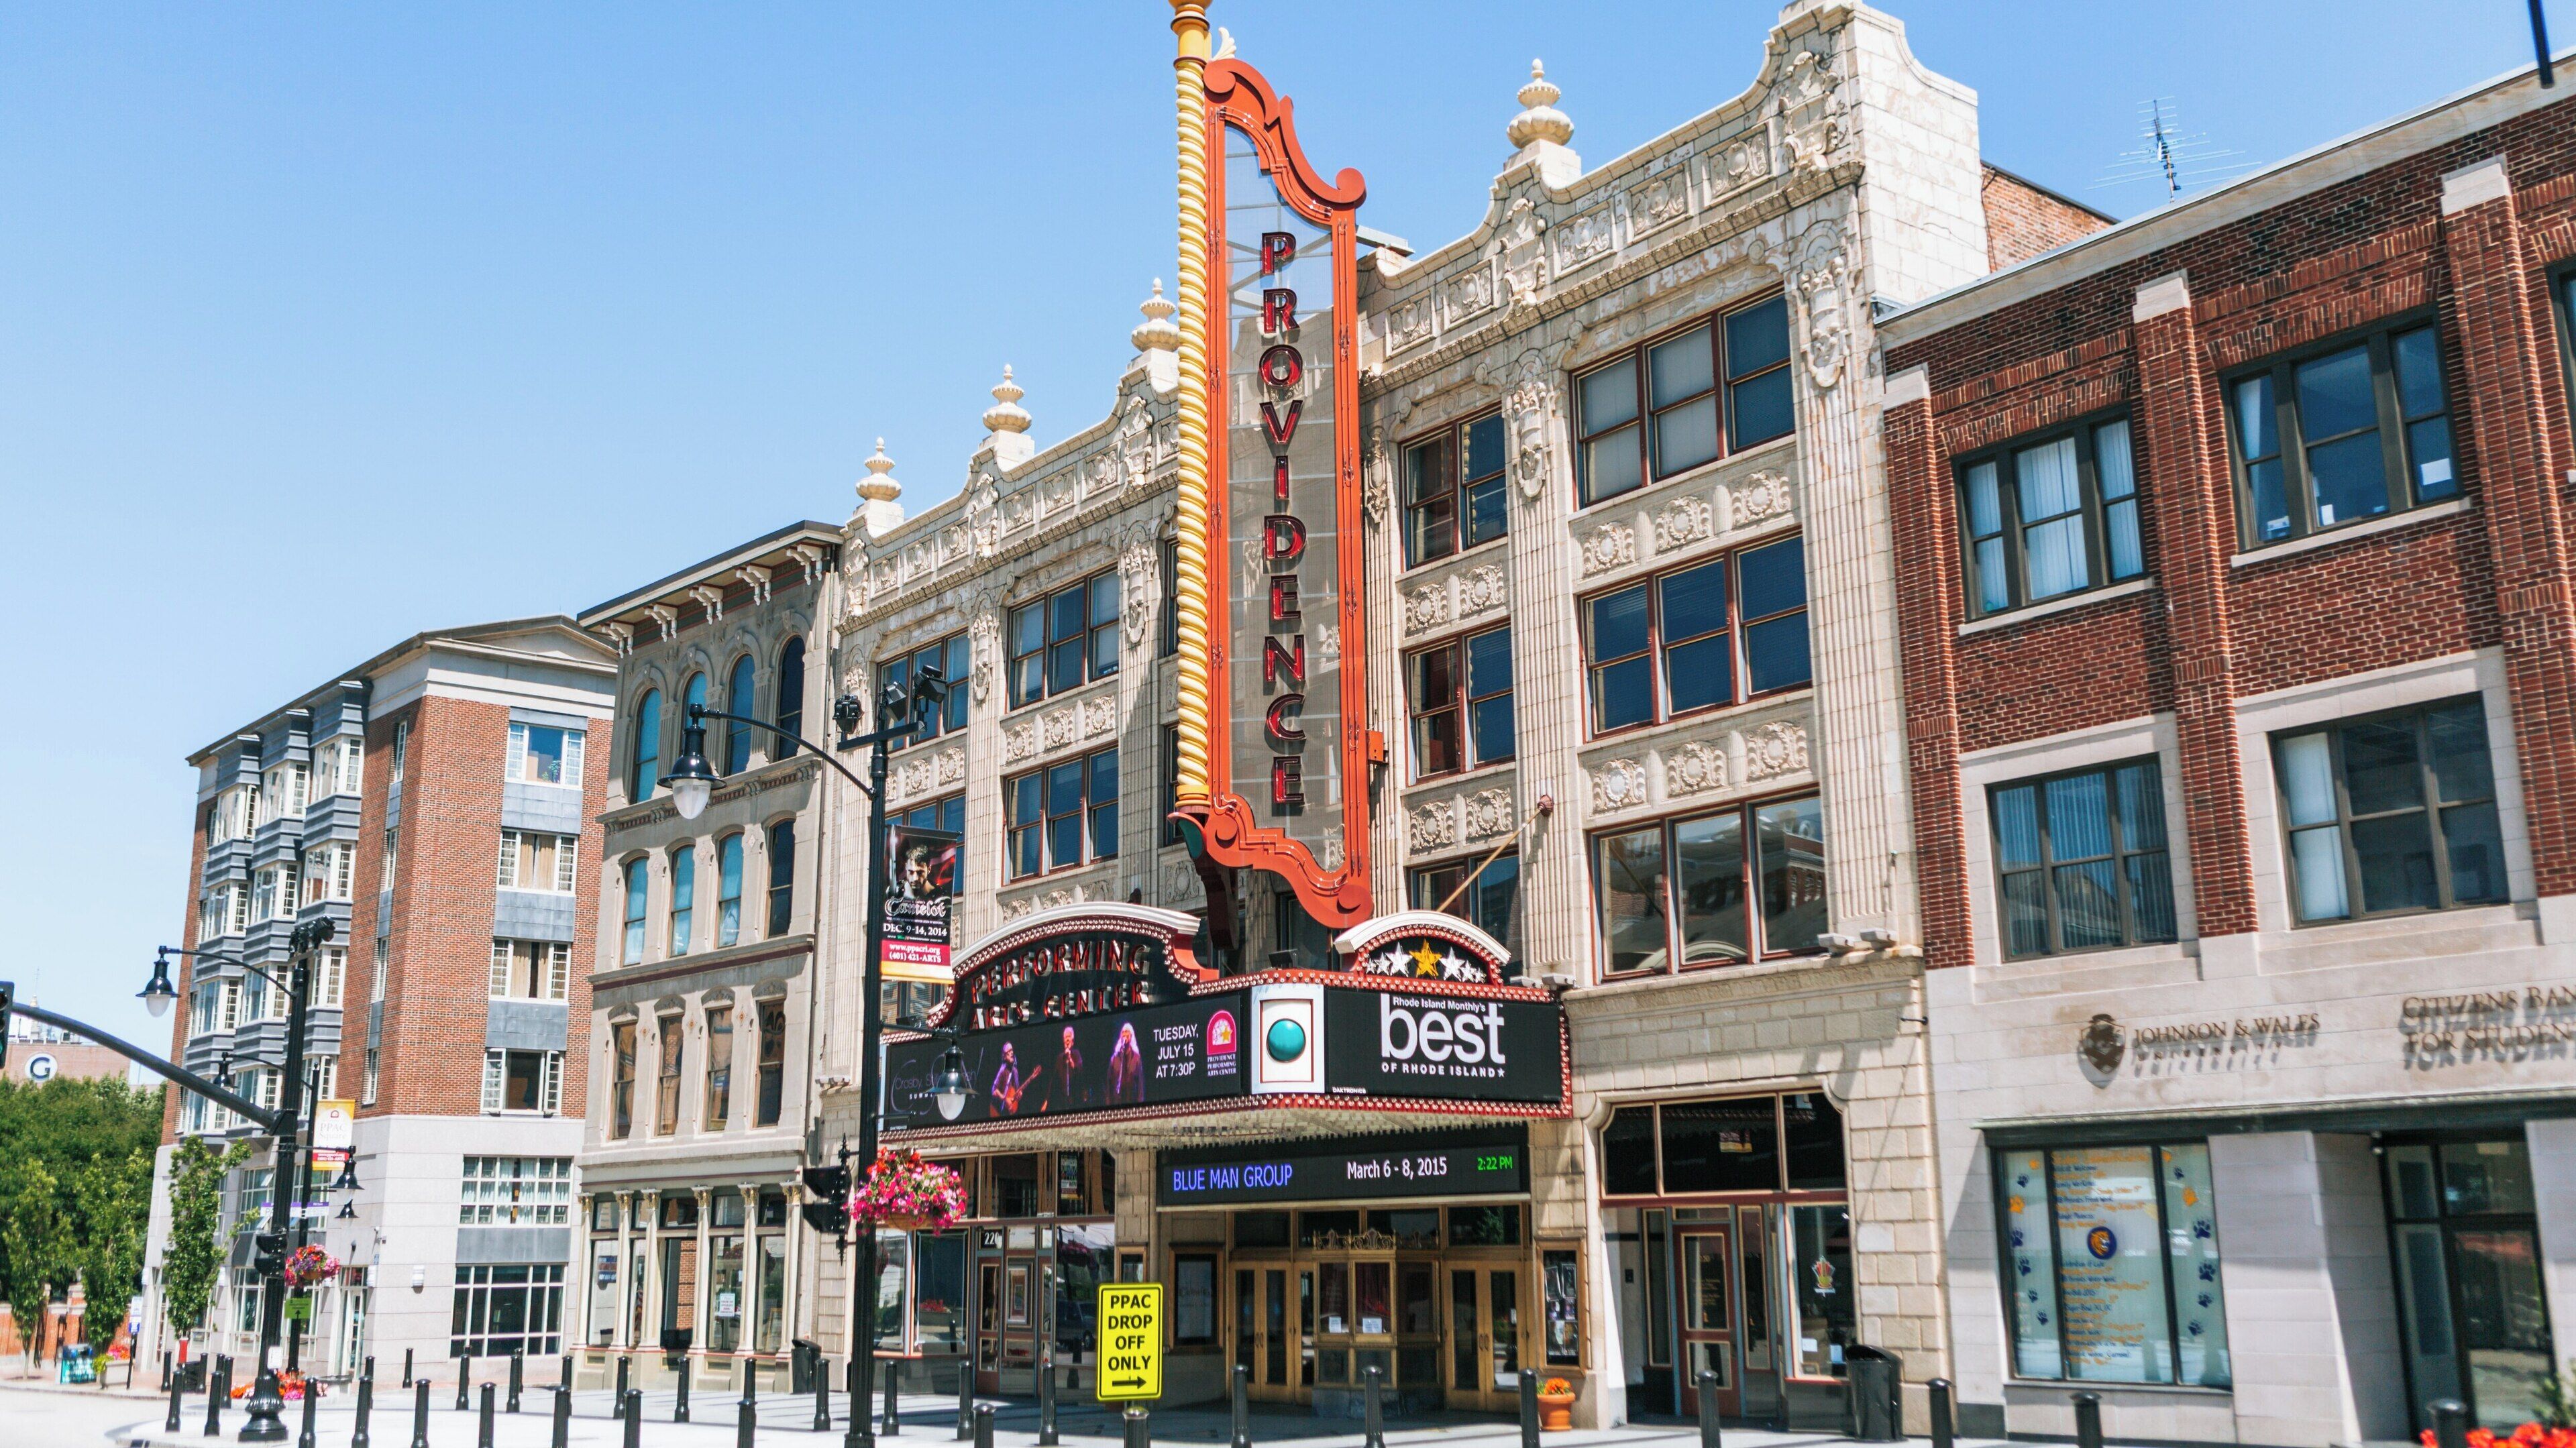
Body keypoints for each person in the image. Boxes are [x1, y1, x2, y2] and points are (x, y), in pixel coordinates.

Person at [1106, 1021, 1144, 1104]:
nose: (1124, 1034)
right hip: (1117, 1100)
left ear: (1131, 1036)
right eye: (1123, 1032)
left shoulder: (1136, 1058)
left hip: (1132, 1100)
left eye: (1127, 1032)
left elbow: (1140, 1083)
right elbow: (1109, 1082)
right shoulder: (1115, 1058)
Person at [989, 1042, 1024, 1115]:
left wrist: (1020, 1094)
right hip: (998, 1111)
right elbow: (994, 1090)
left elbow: (1017, 1090)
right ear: (1004, 1056)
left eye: (1012, 1050)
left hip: (1010, 1111)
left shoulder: (1015, 1071)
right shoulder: (1003, 1070)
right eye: (1009, 1050)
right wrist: (1004, 1099)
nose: (1012, 1052)